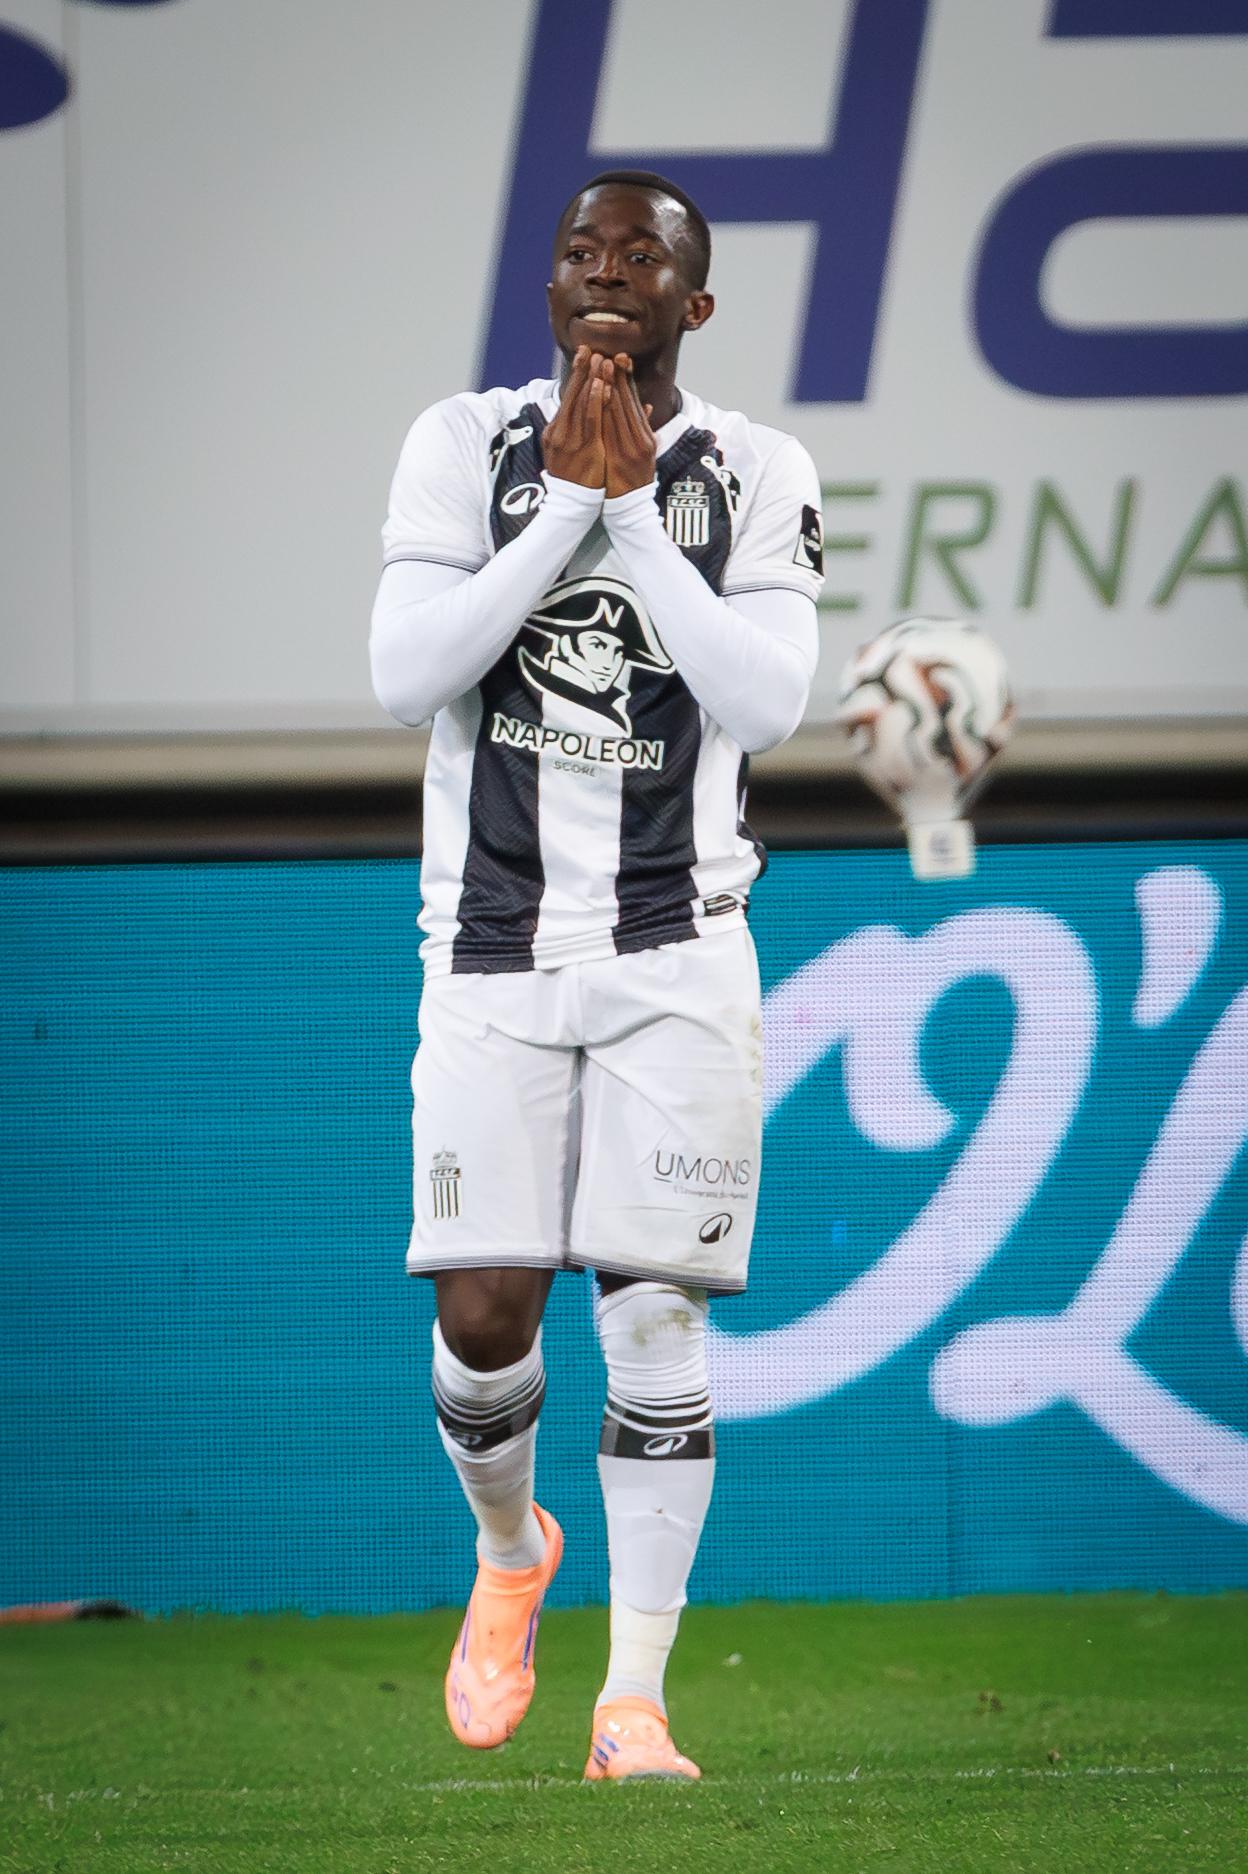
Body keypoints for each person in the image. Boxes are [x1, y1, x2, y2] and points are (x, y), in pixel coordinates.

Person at [370, 170, 824, 1781]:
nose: (605, 275)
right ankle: (510, 1554)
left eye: (644, 257)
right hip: (488, 948)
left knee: (653, 1320)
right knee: (487, 1319)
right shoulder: (462, 444)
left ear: (694, 306)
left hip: (678, 951)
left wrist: (632, 514)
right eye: (579, 253)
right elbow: (403, 672)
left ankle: (633, 1698)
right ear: (550, 291)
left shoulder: (757, 469)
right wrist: (567, 500)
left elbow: (766, 701)